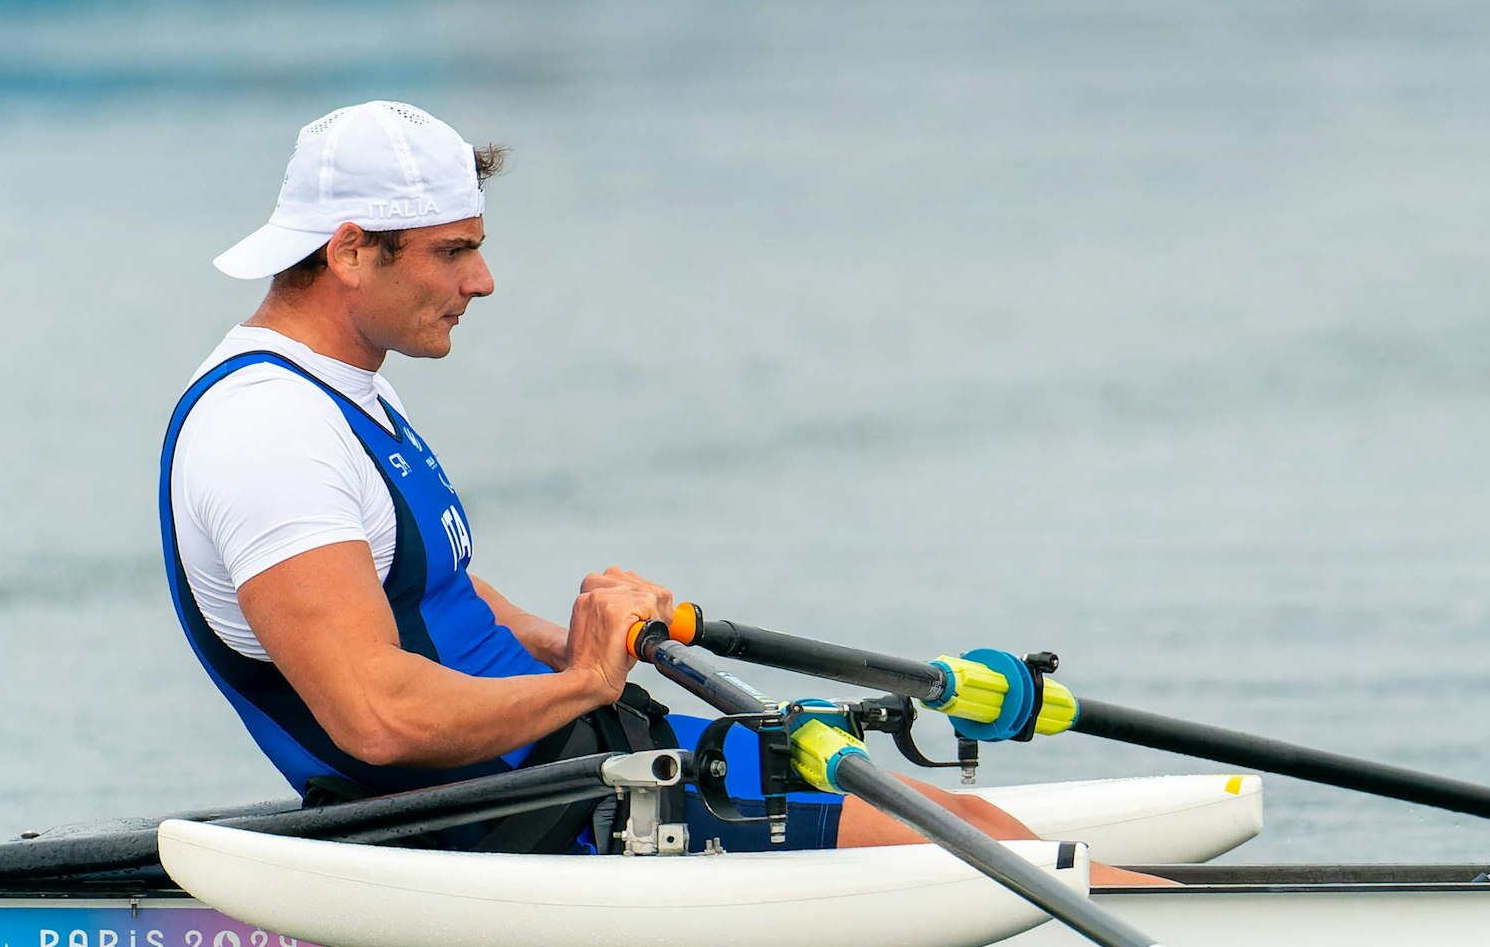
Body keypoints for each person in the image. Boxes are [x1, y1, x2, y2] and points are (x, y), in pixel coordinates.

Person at [161, 99, 1167, 883]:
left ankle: (1139, 903)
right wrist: (583, 685)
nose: (484, 282)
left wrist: (579, 641)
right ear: (347, 250)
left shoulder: (340, 393)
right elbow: (375, 715)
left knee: (964, 825)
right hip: (520, 821)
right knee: (949, 840)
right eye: (454, 251)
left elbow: (432, 602)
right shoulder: (269, 433)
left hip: (559, 762)